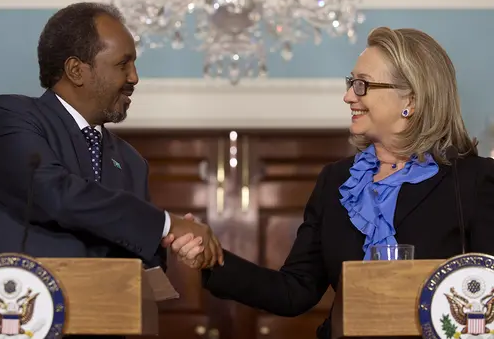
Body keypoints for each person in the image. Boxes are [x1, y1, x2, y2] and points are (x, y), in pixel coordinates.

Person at [162, 27, 494, 338]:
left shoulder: (474, 181)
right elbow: (293, 292)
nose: (348, 96)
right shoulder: (336, 181)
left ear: (411, 100)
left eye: (362, 84)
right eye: (351, 82)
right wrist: (214, 259)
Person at [0, 2, 223, 270]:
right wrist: (166, 224)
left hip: (106, 310)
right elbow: (55, 194)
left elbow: (144, 264)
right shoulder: (8, 116)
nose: (134, 77)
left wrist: (176, 242)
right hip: (18, 304)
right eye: (123, 64)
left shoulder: (131, 161)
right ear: (76, 70)